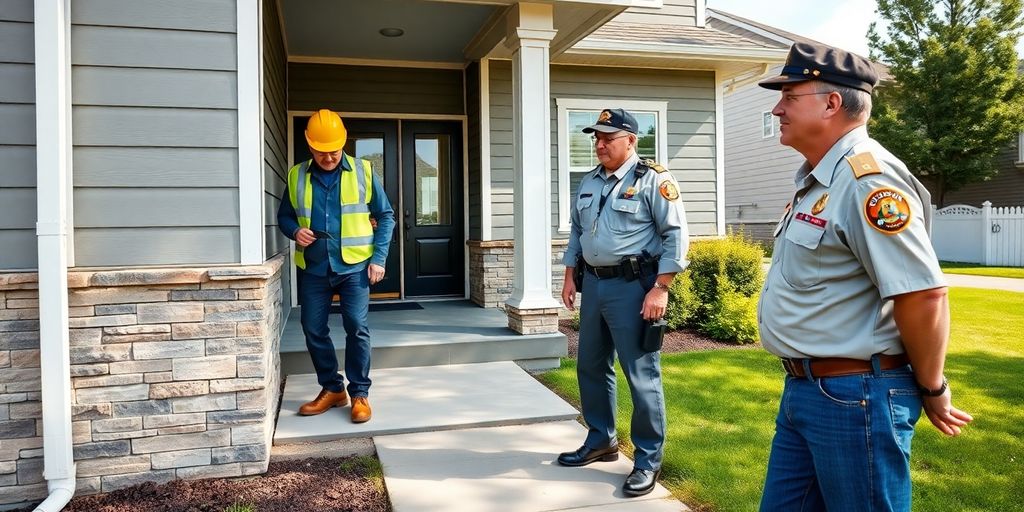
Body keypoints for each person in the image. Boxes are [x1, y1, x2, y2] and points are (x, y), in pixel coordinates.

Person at [755, 42, 973, 511]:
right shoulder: (820, 179)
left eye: (790, 96)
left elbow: (923, 294)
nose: (777, 108)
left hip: (855, 397)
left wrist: (933, 386)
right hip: (808, 390)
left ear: (832, 103)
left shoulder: (866, 181)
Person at [558, 108, 689, 497]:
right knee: (591, 366)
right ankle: (602, 439)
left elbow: (676, 236)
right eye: (596, 137)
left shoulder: (654, 180)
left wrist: (661, 287)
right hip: (594, 286)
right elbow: (577, 234)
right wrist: (569, 276)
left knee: (641, 374)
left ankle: (648, 460)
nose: (599, 144)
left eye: (607, 138)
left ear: (631, 141)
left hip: (635, 287)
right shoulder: (589, 181)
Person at [277, 109, 395, 423]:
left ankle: (360, 394)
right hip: (314, 268)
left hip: (354, 267)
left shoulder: (364, 171)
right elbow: (285, 216)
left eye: (334, 151)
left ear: (343, 143)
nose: (328, 157)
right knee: (313, 329)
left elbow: (386, 216)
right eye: (321, 151)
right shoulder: (296, 175)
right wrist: (294, 231)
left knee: (356, 328)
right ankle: (332, 389)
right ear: (309, 145)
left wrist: (379, 259)